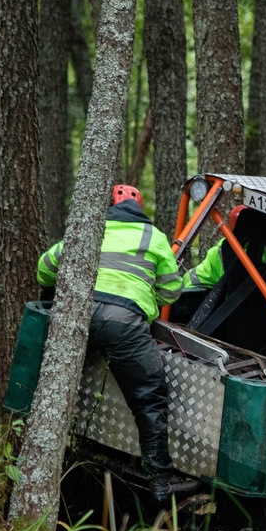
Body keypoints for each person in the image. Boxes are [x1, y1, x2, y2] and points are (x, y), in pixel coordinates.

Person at [36, 184, 202, 505]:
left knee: (53, 387)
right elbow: (172, 290)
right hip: (123, 322)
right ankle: (160, 482)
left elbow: (45, 266)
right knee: (148, 399)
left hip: (75, 315)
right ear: (140, 209)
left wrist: (50, 292)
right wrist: (145, 301)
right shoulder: (152, 238)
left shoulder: (88, 227)